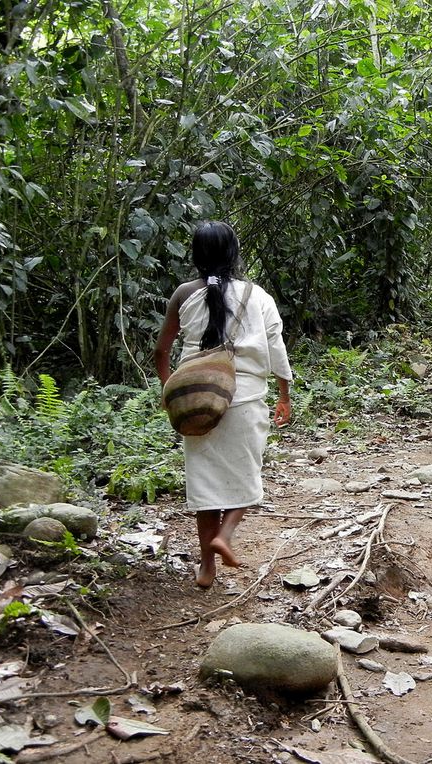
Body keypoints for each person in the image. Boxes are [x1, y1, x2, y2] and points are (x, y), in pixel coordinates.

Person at [153, 221, 292, 588]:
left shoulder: (183, 293)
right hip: (245, 398)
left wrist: (171, 391)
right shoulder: (257, 295)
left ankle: (206, 568)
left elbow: (161, 350)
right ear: (234, 253)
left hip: (197, 400)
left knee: (204, 486)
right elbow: (276, 347)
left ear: (196, 254)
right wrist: (284, 393)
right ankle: (225, 536)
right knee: (246, 476)